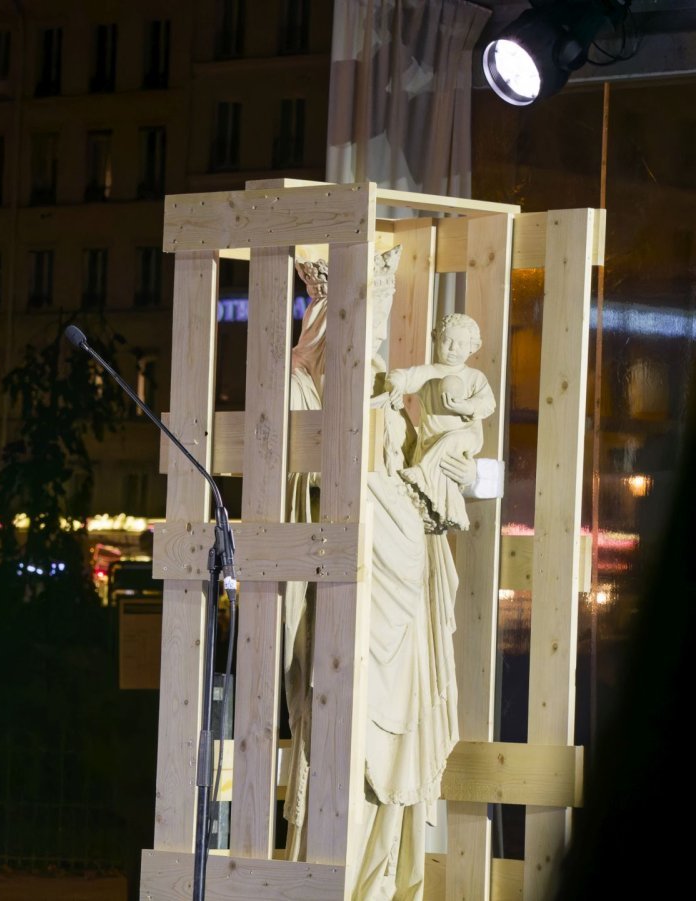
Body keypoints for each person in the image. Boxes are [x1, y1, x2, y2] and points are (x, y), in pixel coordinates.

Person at [281, 247, 476, 901]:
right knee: (345, 746)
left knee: (398, 759)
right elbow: (309, 483)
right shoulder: (307, 384)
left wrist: (437, 465)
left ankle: (385, 883)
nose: (372, 337)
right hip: (352, 596)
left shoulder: (390, 392)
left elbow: (420, 463)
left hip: (403, 584)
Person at [384, 313, 495, 533]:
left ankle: (422, 473)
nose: (453, 349)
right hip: (430, 447)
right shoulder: (429, 373)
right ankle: (437, 499)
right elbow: (398, 376)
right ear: (436, 338)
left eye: (461, 343)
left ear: (472, 347)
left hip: (466, 439)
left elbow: (488, 404)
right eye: (447, 341)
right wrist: (395, 386)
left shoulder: (475, 377)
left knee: (451, 439)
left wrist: (465, 407)